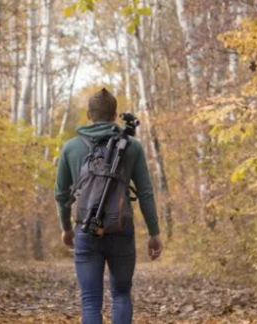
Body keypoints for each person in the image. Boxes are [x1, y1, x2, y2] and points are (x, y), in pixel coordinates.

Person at [54, 88, 163, 324]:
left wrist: (66, 228)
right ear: (115, 115)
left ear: (88, 114)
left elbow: (61, 195)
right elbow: (145, 193)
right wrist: (154, 233)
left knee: (91, 301)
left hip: (85, 229)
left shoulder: (71, 148)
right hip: (120, 229)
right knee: (121, 295)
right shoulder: (132, 147)